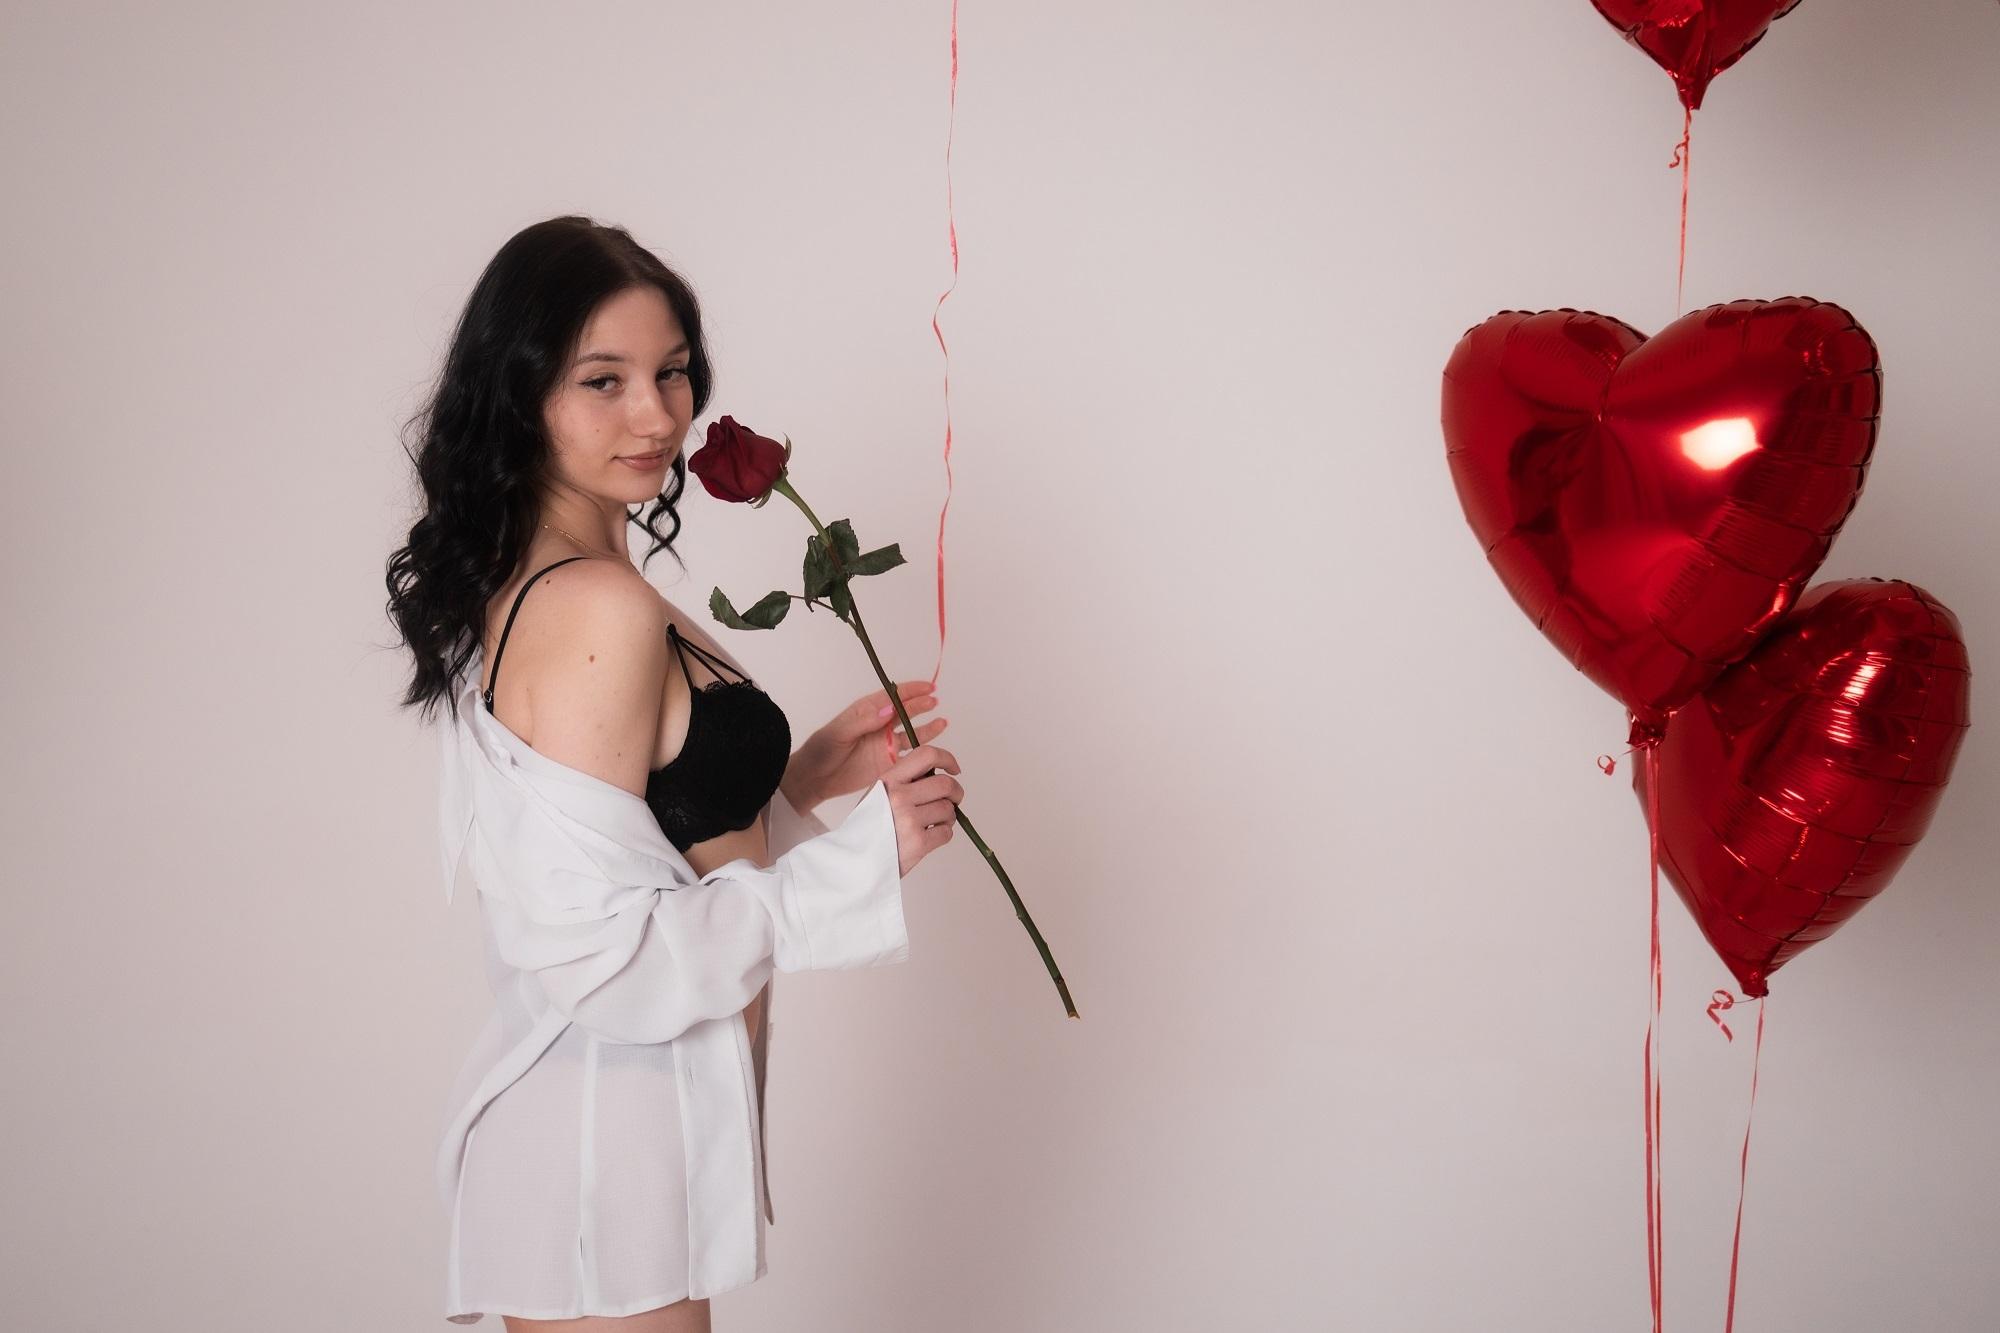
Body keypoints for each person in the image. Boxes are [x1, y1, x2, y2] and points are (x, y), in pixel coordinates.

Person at [384, 215, 965, 1330]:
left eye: (672, 371)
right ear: (520, 394)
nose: (657, 416)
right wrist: (860, 862)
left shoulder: (572, 574)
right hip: (598, 1147)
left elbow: (645, 851)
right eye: (603, 380)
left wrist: (795, 788)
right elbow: (603, 955)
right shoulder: (592, 603)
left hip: (630, 1140)